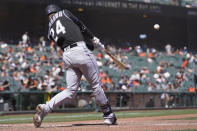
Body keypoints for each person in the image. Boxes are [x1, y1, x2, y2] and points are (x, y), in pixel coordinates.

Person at [33, 4, 117, 127]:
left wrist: (93, 46)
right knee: (96, 85)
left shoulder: (50, 30)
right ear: (57, 10)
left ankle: (45, 108)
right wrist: (94, 39)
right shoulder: (65, 13)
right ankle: (108, 115)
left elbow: (69, 38)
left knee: (70, 91)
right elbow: (81, 26)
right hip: (80, 50)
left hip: (68, 56)